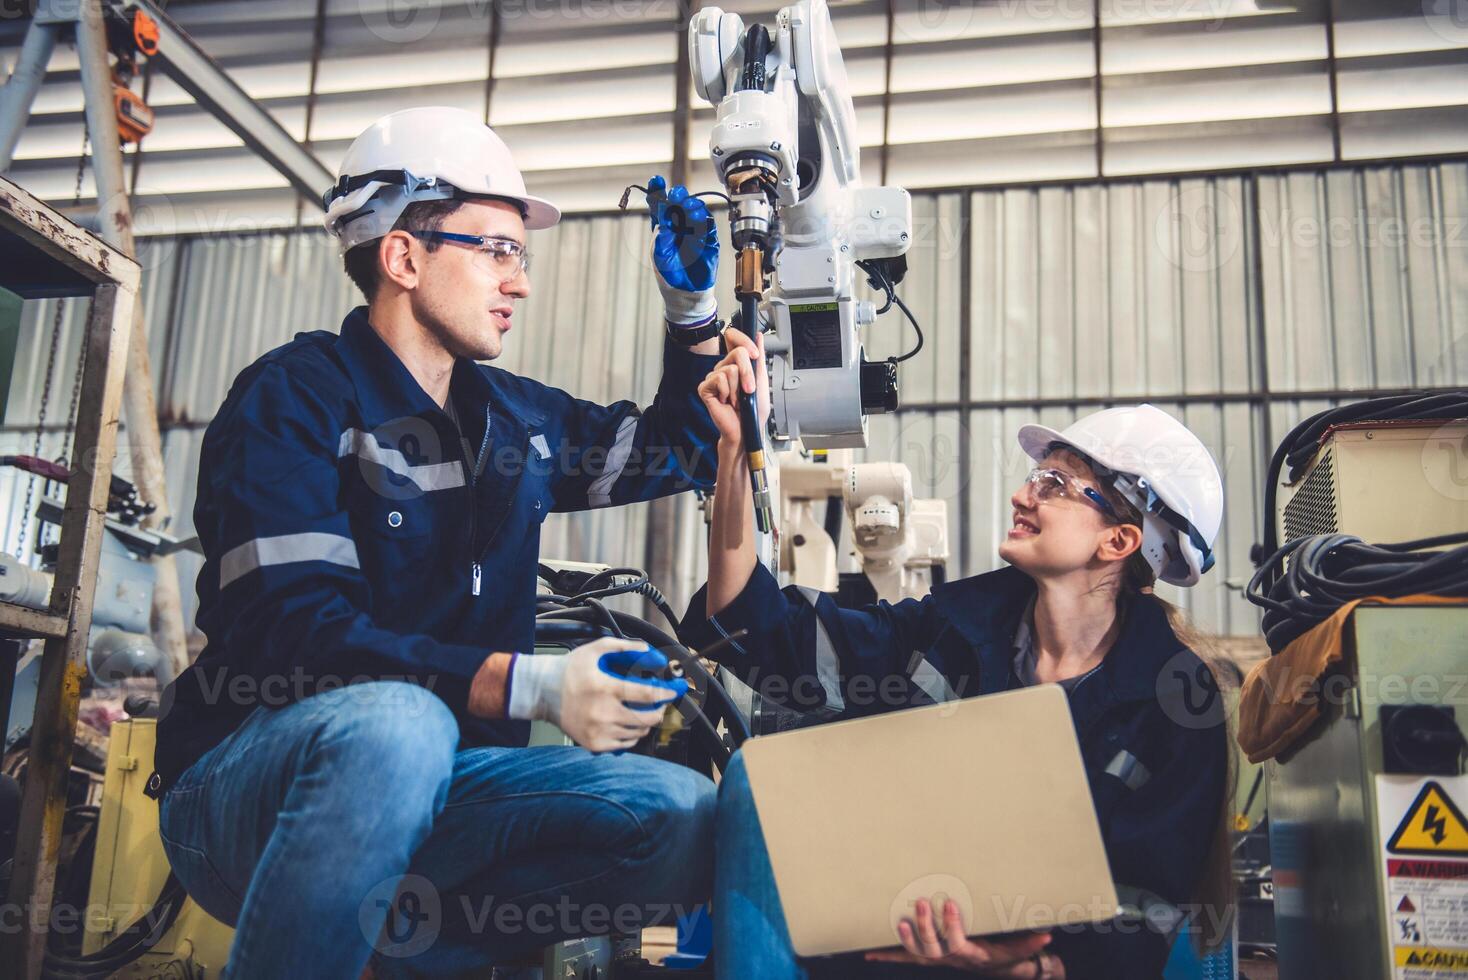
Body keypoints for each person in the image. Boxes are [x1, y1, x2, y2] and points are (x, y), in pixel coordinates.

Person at [146, 106, 759, 978]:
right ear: (403, 257)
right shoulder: (295, 399)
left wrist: (695, 317)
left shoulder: (513, 418)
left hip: (449, 793)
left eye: (522, 255)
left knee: (682, 812)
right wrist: (528, 681)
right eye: (496, 250)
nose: (520, 282)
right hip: (251, 789)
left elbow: (680, 448)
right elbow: (293, 636)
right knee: (399, 727)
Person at [682, 345, 1233, 979]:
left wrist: (1015, 966)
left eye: (1055, 484)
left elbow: (1145, 917)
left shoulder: (1174, 701)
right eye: (1036, 476)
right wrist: (731, 453)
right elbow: (753, 630)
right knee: (755, 779)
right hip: (894, 947)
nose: (1024, 495)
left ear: (1119, 540)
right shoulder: (951, 629)